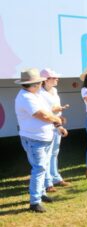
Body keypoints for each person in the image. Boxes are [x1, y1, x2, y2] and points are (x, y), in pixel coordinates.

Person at [15, 68, 68, 213]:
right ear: (34, 84)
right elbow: (42, 115)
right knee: (39, 168)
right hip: (34, 139)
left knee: (42, 166)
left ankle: (41, 194)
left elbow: (48, 112)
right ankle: (35, 202)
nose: (41, 83)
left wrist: (58, 126)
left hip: (43, 137)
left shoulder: (34, 94)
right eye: (39, 82)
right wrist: (57, 120)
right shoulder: (26, 97)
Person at [39, 68, 70, 192]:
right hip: (47, 126)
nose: (57, 79)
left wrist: (60, 114)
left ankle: (56, 177)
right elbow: (44, 112)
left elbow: (54, 108)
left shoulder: (54, 90)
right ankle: (48, 183)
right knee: (46, 155)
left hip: (56, 124)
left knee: (55, 152)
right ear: (46, 80)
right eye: (54, 77)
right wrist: (56, 112)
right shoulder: (40, 93)